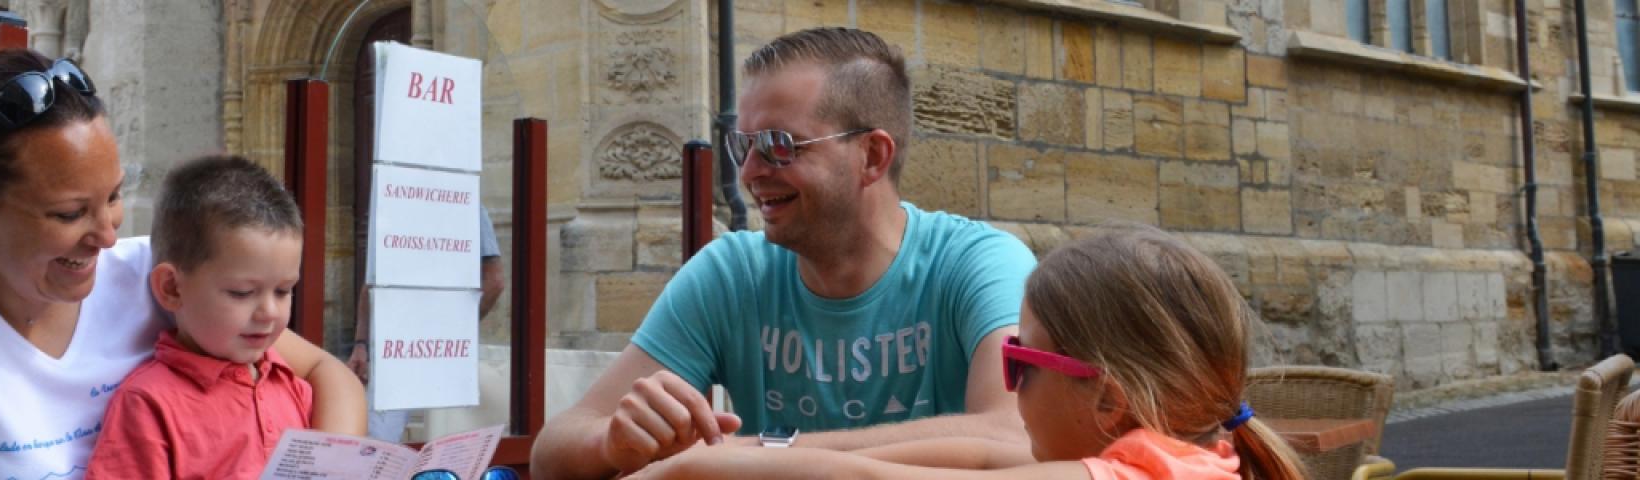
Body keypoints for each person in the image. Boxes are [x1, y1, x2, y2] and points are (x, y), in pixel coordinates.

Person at [0, 49, 364, 480]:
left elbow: (327, 374)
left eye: (114, 197)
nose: (106, 235)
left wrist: (329, 467)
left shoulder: (152, 276)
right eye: (71, 212)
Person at [531, 27, 1039, 479]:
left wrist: (755, 454)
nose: (749, 171)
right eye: (742, 144)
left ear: (872, 156)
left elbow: (1015, 437)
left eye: (778, 144)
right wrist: (612, 442)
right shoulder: (733, 273)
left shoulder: (980, 264)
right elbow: (550, 455)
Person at [626, 227, 1309, 480]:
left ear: (1107, 398)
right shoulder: (1180, 452)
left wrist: (688, 473)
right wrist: (756, 450)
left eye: (1022, 365)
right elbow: (979, 455)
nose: (1009, 389)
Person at [86, 155, 314, 478]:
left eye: (283, 290)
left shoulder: (288, 381)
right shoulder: (149, 404)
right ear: (172, 288)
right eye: (241, 293)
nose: (270, 312)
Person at [344, 206, 506, 443]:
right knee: (378, 442)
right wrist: (361, 344)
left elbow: (494, 280)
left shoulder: (464, 202)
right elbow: (375, 281)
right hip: (396, 344)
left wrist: (451, 333)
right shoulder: (392, 196)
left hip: (432, 347)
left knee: (439, 439)